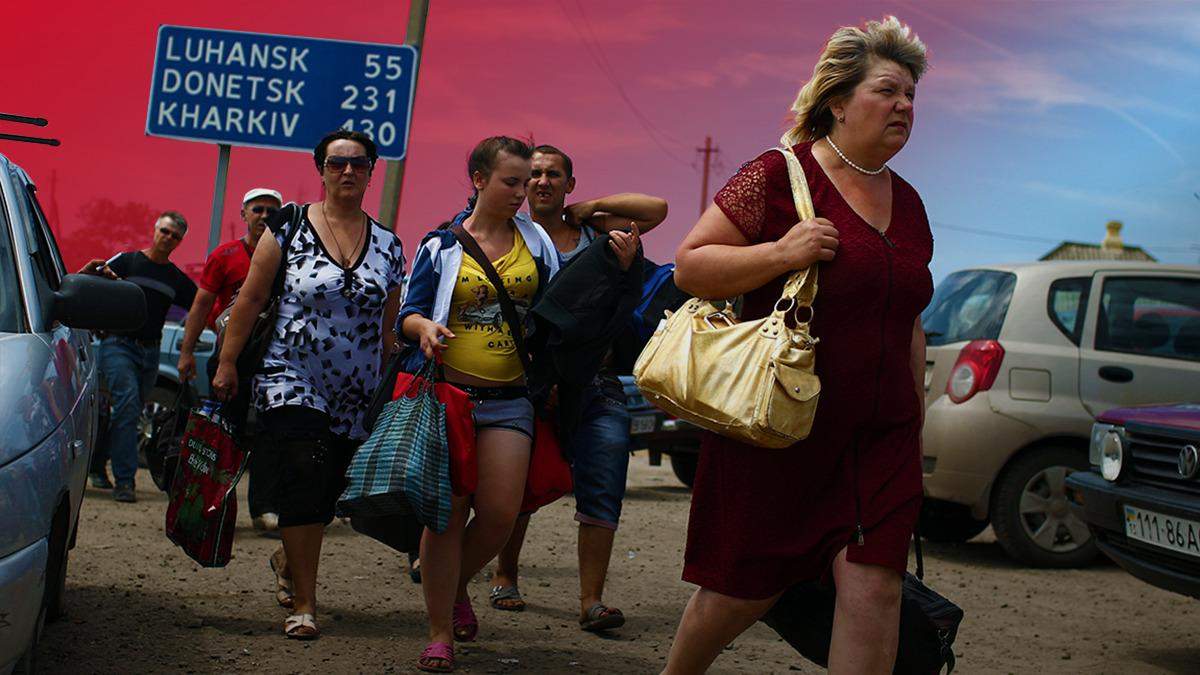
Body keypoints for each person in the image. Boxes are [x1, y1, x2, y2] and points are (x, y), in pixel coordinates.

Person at [662, 16, 932, 674]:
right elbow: (690, 266)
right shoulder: (777, 175)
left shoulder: (911, 204)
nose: (904, 105)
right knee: (745, 589)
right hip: (785, 424)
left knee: (876, 586)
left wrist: (916, 417)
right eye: (887, 91)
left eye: (911, 95)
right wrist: (782, 253)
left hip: (883, 438)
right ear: (837, 102)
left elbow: (909, 318)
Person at [210, 129, 406, 640]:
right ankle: (304, 603)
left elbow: (389, 329)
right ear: (321, 170)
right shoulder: (289, 227)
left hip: (357, 389)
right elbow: (252, 299)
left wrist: (398, 382)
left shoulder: (389, 244)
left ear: (371, 172)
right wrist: (227, 362)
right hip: (291, 375)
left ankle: (287, 558)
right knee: (302, 468)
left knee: (331, 489)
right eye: (337, 163)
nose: (348, 171)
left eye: (358, 163)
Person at [400, 136, 563, 672]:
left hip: (510, 399)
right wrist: (424, 328)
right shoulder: (440, 245)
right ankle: (439, 632)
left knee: (498, 516)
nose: (522, 192)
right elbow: (408, 313)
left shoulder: (537, 241)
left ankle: (453, 585)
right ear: (478, 180)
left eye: (525, 182)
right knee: (445, 518)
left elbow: (557, 309)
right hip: (448, 398)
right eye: (511, 182)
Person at [489, 144, 667, 633]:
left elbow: (656, 209)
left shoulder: (596, 234)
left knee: (605, 479)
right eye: (534, 174)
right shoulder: (511, 238)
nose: (542, 182)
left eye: (554, 174)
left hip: (597, 383)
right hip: (530, 383)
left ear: (569, 184)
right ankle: (506, 574)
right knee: (519, 482)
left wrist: (591, 208)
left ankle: (592, 601)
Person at [177, 187, 284, 535]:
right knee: (224, 434)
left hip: (273, 359)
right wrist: (187, 352)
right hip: (229, 358)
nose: (264, 216)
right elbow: (201, 304)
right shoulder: (224, 255)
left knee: (270, 433)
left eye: (272, 211)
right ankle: (214, 506)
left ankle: (264, 509)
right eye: (258, 209)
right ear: (244, 214)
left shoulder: (288, 257)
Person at [79, 212, 197, 503]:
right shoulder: (127, 262)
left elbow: (201, 305)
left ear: (180, 242)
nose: (168, 238)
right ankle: (125, 481)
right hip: (117, 344)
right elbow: (87, 283)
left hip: (151, 351)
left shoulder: (175, 279)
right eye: (165, 231)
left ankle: (96, 465)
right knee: (129, 407)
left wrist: (193, 347)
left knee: (126, 412)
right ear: (155, 230)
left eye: (175, 236)